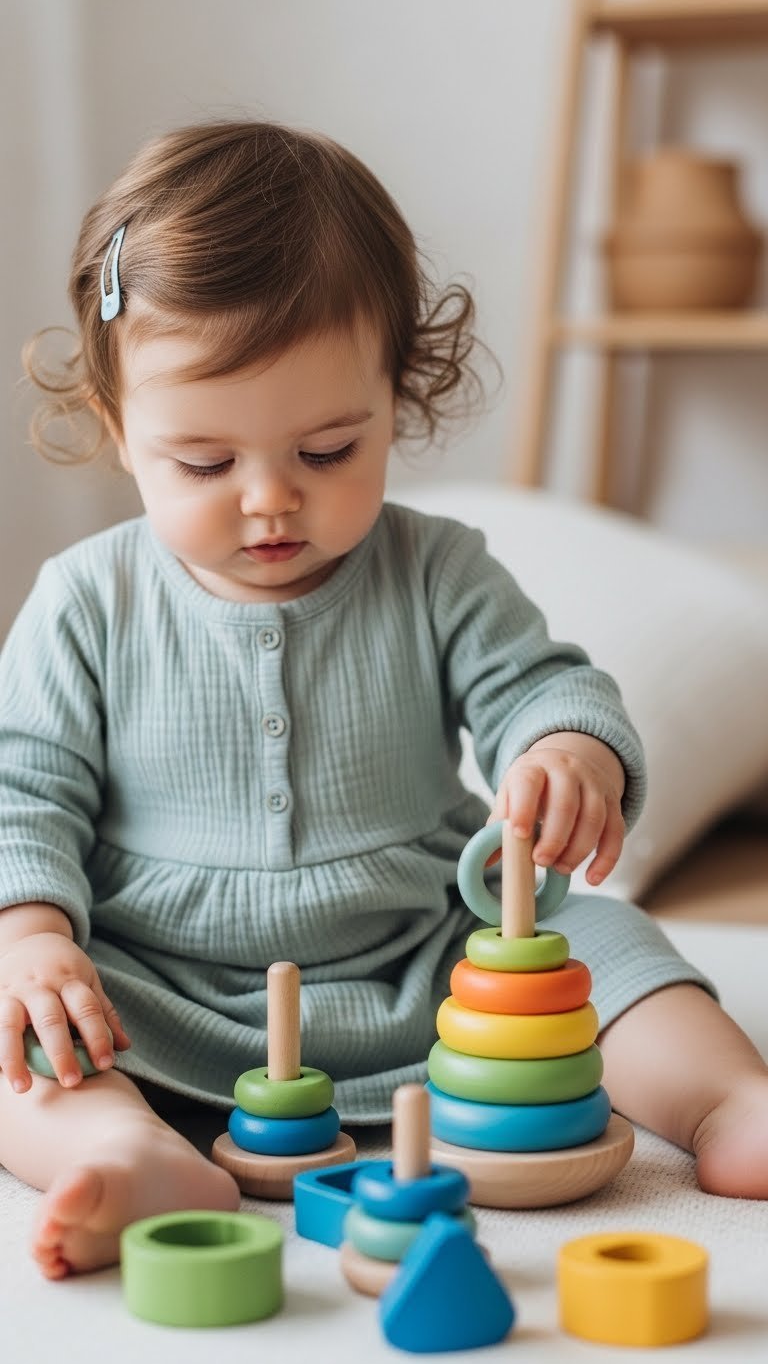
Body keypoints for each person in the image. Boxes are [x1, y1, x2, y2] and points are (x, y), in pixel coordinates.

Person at [2, 120, 766, 1282]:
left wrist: (568, 749)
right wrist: (31, 936)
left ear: (396, 396)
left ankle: (728, 1104)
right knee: (19, 1035)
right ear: (118, 428)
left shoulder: (440, 569)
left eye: (327, 449)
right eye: (204, 464)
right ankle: (125, 1145)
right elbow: (23, 786)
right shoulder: (84, 599)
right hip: (155, 981)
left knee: (609, 946)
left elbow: (541, 682)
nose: (269, 501)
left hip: (435, 953)